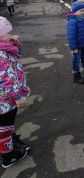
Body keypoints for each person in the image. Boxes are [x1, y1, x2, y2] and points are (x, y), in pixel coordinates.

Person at [0, 16, 31, 168]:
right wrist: (17, 96)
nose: (11, 35)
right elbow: (6, 79)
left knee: (7, 124)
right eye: (7, 33)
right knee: (4, 127)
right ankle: (8, 156)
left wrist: (14, 42)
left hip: (6, 99)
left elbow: (16, 54)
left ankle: (11, 142)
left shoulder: (5, 48)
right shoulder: (1, 54)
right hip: (4, 99)